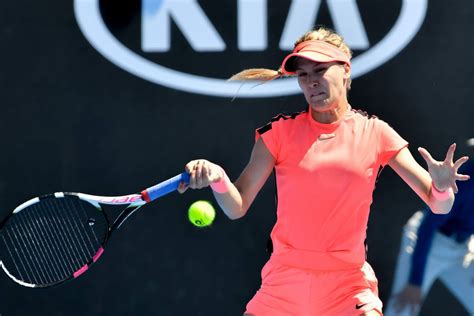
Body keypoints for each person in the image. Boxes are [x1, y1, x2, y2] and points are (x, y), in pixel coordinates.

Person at [178, 26, 470, 316]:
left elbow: (439, 205)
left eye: (319, 70)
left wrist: (442, 187)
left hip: (347, 285)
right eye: (303, 75)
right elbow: (236, 206)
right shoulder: (278, 133)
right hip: (284, 283)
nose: (311, 82)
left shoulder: (376, 132)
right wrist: (218, 177)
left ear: (345, 69)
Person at [385, 143, 474, 316]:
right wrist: (415, 281)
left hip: (463, 249)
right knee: (403, 310)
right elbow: (427, 227)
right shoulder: (466, 182)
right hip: (430, 242)